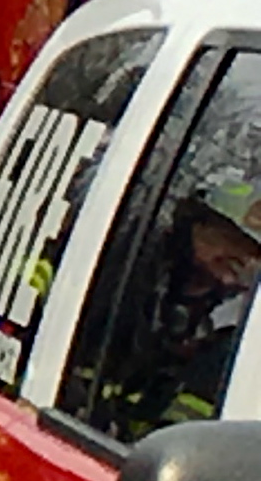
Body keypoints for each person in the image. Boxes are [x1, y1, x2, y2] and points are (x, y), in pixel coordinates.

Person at [105, 182, 261, 436]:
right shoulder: (122, 271)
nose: (230, 277)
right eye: (235, 242)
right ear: (200, 224)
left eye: (250, 257)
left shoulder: (232, 325)